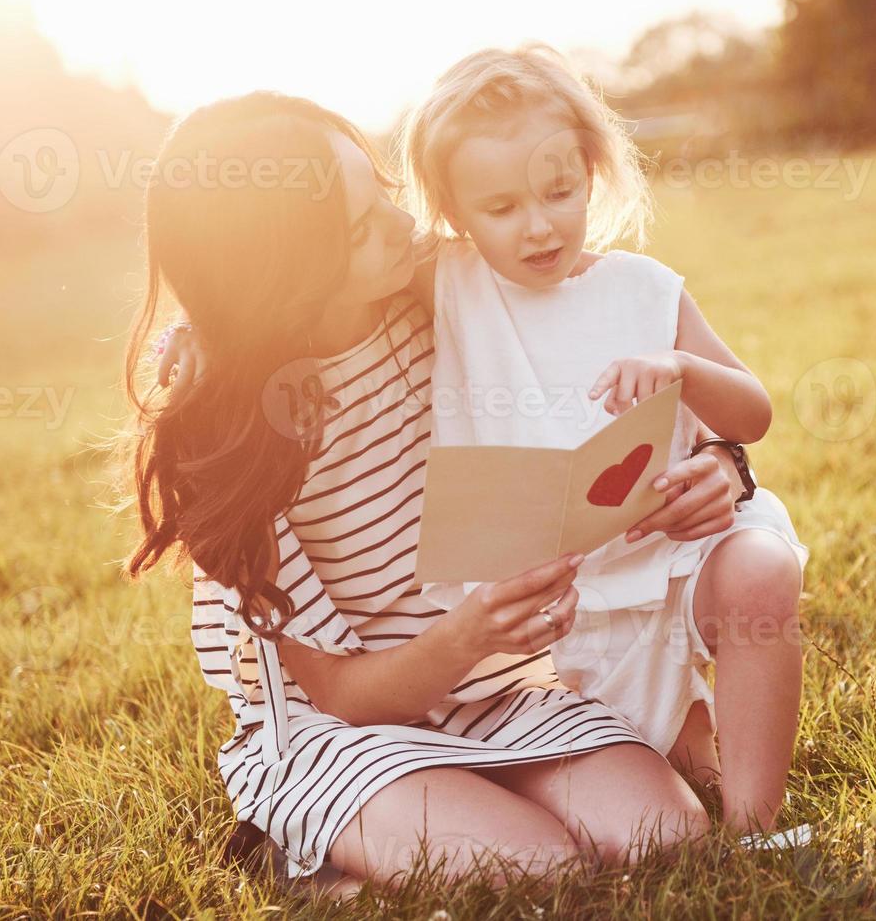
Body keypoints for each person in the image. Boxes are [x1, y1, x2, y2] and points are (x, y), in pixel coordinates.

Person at [126, 92, 789, 897]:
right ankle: (307, 857)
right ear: (288, 269)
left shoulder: (436, 302)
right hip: (348, 729)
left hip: (501, 696)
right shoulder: (237, 442)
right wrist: (470, 635)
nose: (405, 228)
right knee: (536, 871)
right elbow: (342, 693)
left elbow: (604, 321)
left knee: (666, 842)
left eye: (385, 197)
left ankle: (440, 815)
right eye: (362, 227)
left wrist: (722, 460)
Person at [399, 44, 808, 836]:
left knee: (759, 575)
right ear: (452, 212)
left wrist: (682, 366)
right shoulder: (445, 282)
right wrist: (202, 330)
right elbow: (316, 270)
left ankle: (755, 827)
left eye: (559, 191)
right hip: (554, 602)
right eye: (501, 208)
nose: (539, 225)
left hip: (672, 553)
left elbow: (751, 416)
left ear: (591, 168)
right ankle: (686, 754)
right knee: (666, 776)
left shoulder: (644, 289)